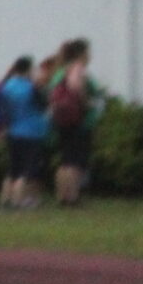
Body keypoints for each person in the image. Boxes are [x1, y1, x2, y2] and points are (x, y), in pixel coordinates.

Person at [0, 55, 50, 210]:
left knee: (11, 170)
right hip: (31, 132)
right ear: (28, 69)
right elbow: (43, 106)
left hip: (11, 131)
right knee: (25, 171)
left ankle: (5, 201)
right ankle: (18, 201)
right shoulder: (31, 88)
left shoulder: (6, 86)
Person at [47, 38, 98, 207]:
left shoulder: (60, 70)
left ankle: (62, 195)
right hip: (77, 119)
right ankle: (73, 196)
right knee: (76, 160)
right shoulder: (77, 67)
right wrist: (86, 102)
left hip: (61, 118)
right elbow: (75, 86)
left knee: (65, 159)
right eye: (88, 52)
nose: (90, 56)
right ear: (81, 53)